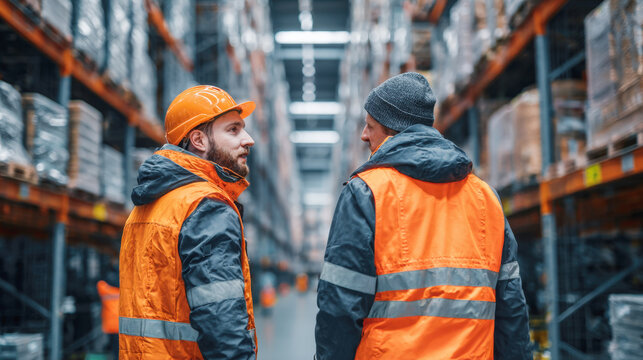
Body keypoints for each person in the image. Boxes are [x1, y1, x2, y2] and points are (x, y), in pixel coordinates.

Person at [315, 72, 532, 359]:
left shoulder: (367, 193)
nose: (363, 135)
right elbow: (511, 309)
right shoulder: (486, 198)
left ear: (392, 128)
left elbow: (341, 306)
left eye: (370, 125)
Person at [119, 85, 258, 359]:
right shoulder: (206, 206)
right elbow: (222, 322)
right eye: (233, 130)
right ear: (199, 140)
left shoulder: (146, 208)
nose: (248, 139)